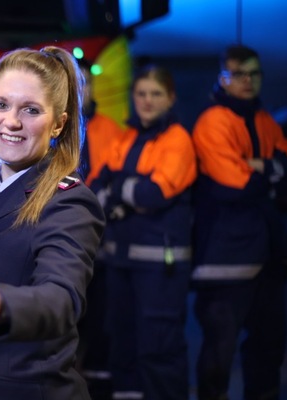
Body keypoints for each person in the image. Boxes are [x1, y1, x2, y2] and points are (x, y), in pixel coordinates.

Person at [0, 46, 105, 400]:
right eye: (1, 105)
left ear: (58, 123)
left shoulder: (68, 201)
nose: (11, 121)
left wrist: (1, 304)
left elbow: (62, 299)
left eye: (30, 110)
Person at [191, 45, 287, 400]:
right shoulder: (213, 121)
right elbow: (232, 185)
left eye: (254, 73)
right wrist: (271, 170)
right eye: (239, 74)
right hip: (225, 261)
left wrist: (260, 167)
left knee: (269, 349)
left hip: (268, 258)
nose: (248, 81)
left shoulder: (265, 120)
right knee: (218, 357)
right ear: (222, 78)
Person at [88, 65, 197, 400]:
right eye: (141, 93)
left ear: (171, 98)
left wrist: (119, 191)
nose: (147, 101)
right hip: (120, 261)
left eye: (156, 94)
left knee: (158, 347)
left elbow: (155, 195)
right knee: (124, 345)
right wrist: (126, 192)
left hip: (159, 265)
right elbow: (96, 187)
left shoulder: (178, 139)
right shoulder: (127, 136)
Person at [75, 57, 125, 400]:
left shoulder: (111, 129)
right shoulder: (54, 127)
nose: (82, 89)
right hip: (65, 233)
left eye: (86, 82)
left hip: (103, 237)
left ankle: (99, 380)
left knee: (102, 313)